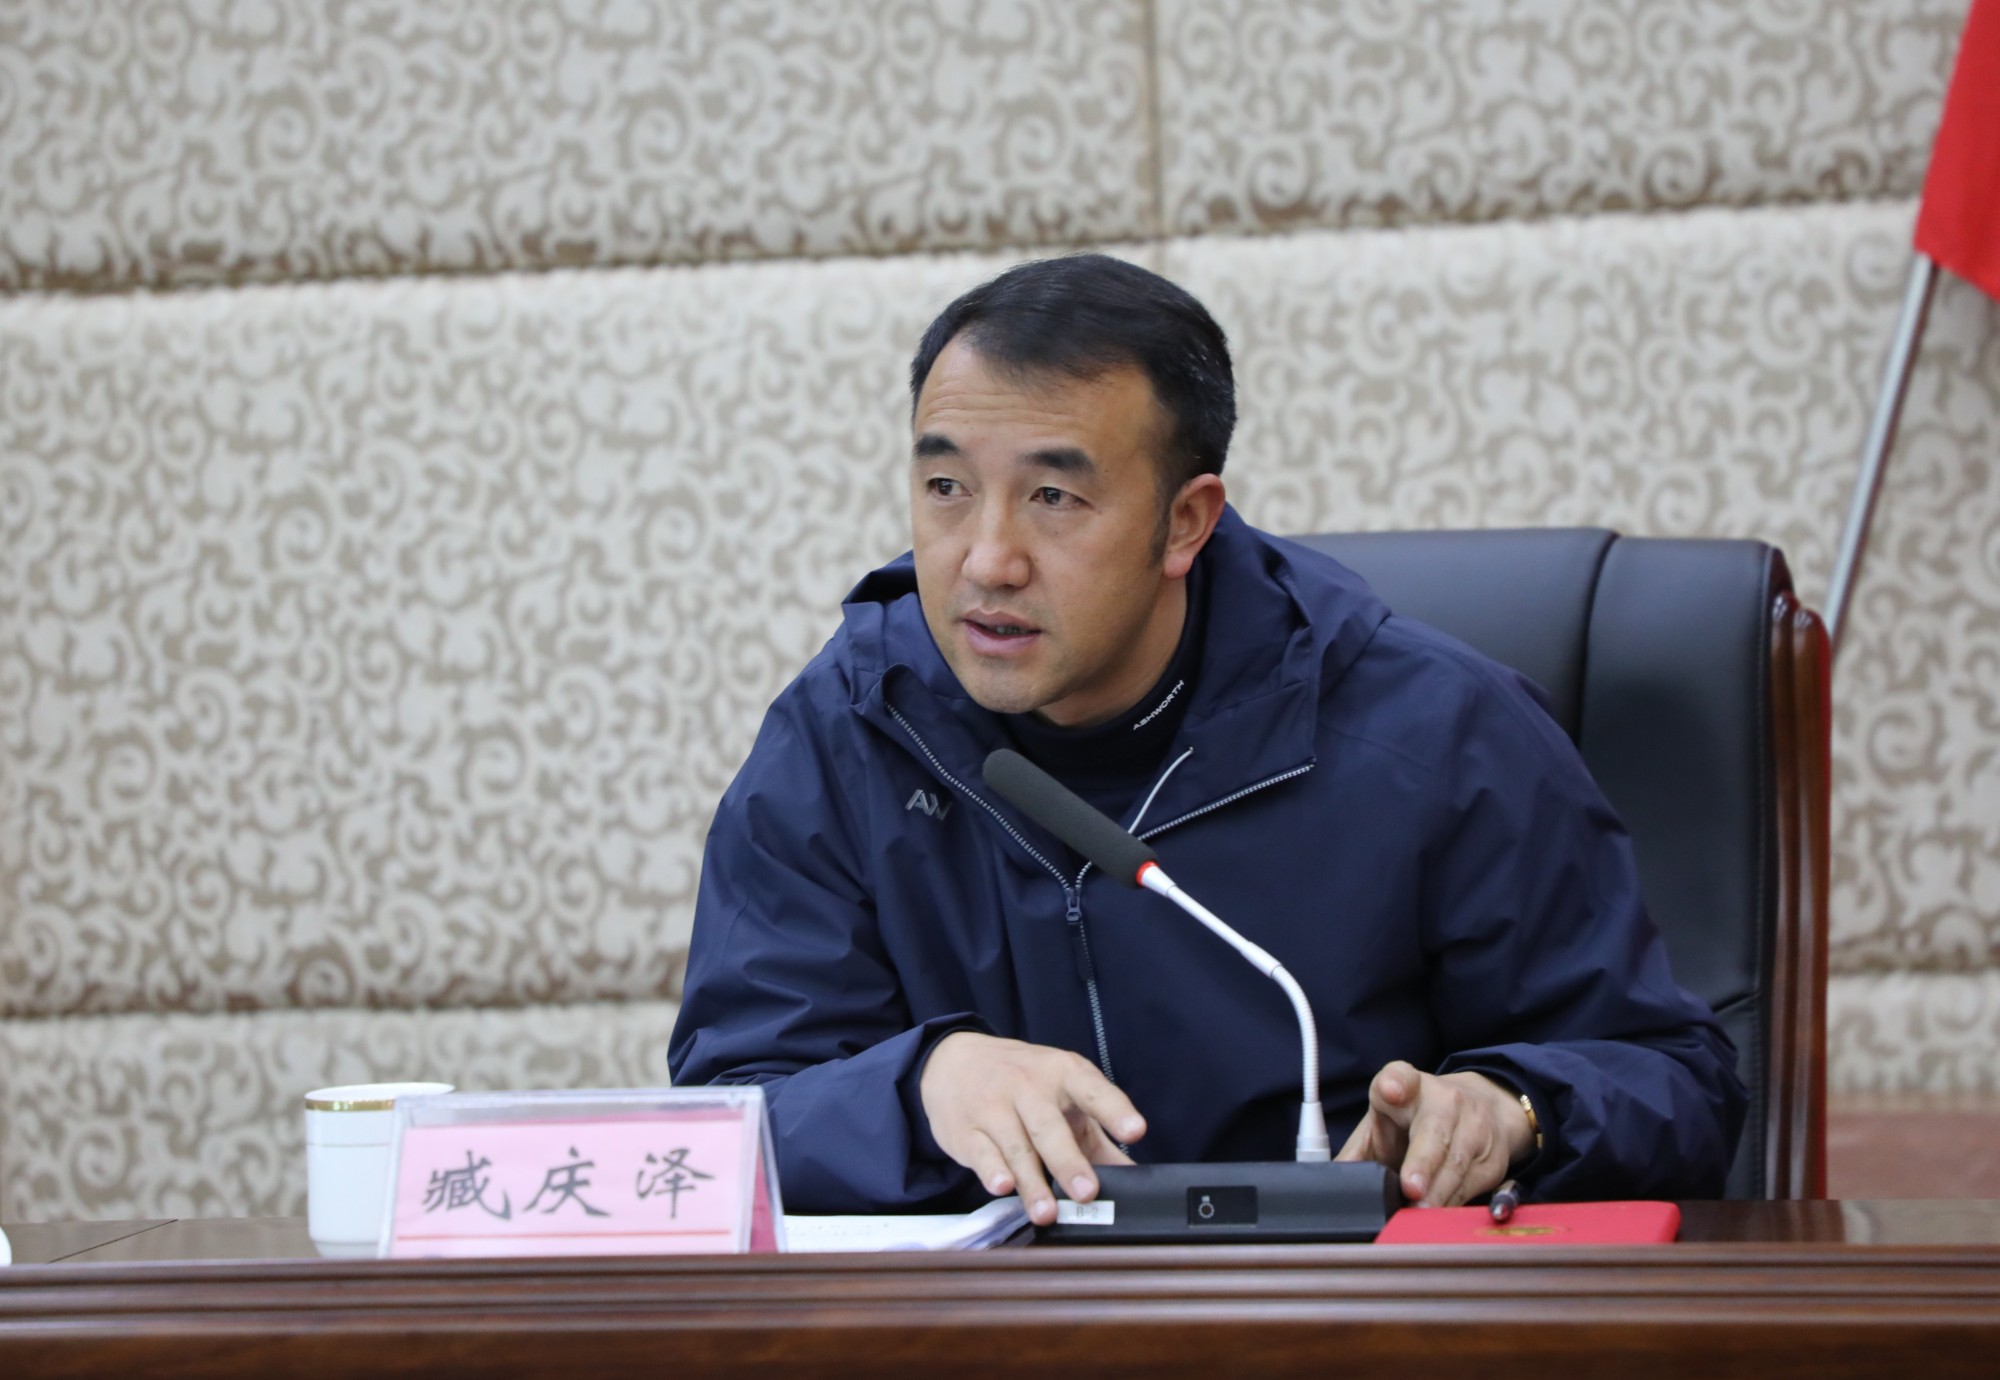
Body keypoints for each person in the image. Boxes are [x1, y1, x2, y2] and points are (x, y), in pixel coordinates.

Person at [668, 254, 1746, 1223]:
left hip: (1341, 1328)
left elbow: (1674, 1082)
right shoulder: (851, 730)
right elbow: (726, 1120)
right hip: (986, 1338)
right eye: (945, 487)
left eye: (1053, 497)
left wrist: (1514, 1109)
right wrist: (919, 1087)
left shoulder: (1440, 737)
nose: (986, 559)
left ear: (1184, 522)